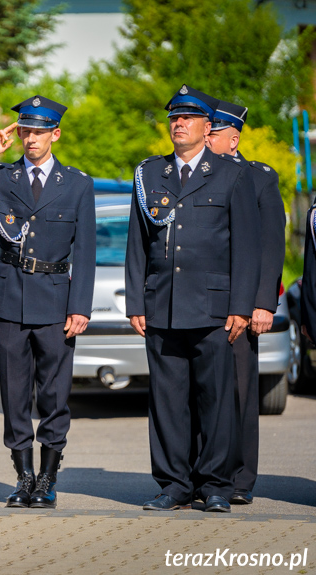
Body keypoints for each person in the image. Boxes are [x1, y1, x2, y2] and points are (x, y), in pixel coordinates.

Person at [0, 96, 96, 509]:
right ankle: (23, 476)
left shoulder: (78, 184)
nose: (30, 138)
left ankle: (48, 477)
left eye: (39, 131)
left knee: (53, 394)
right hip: (10, 297)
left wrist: (80, 306)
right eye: (25, 131)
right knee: (13, 393)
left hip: (55, 300)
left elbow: (85, 251)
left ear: (55, 135)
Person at [125, 85, 261, 513]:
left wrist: (241, 305)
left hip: (213, 309)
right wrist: (135, 302)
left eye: (187, 119)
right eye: (173, 119)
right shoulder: (149, 174)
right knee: (166, 402)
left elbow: (247, 246)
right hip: (162, 306)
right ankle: (174, 485)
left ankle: (216, 484)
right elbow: (137, 243)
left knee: (216, 400)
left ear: (207, 128)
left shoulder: (232, 174)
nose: (178, 124)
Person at [203, 99, 286, 505]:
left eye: (213, 132)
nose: (206, 136)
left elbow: (271, 246)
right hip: (202, 302)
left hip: (242, 302)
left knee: (238, 392)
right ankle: (203, 475)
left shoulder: (259, 178)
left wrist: (262, 303)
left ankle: (239, 479)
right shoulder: (197, 175)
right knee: (200, 394)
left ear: (233, 138)